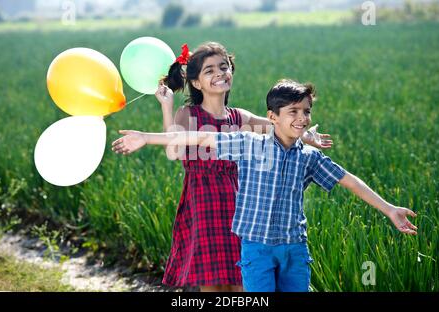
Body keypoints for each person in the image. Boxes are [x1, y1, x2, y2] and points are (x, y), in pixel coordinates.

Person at [112, 79, 418, 292]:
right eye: (293, 112)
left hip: (295, 249)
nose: (302, 119)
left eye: (306, 112)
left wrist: (389, 209)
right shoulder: (251, 144)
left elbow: (349, 180)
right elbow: (201, 137)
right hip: (257, 249)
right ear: (272, 117)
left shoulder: (309, 157)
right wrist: (147, 137)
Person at [113, 43, 331, 292]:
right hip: (203, 203)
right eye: (209, 70)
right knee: (213, 282)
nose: (219, 73)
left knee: (243, 279)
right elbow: (173, 151)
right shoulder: (188, 114)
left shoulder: (240, 118)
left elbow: (279, 126)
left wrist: (307, 137)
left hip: (240, 203)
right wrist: (167, 107)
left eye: (223, 66)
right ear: (196, 83)